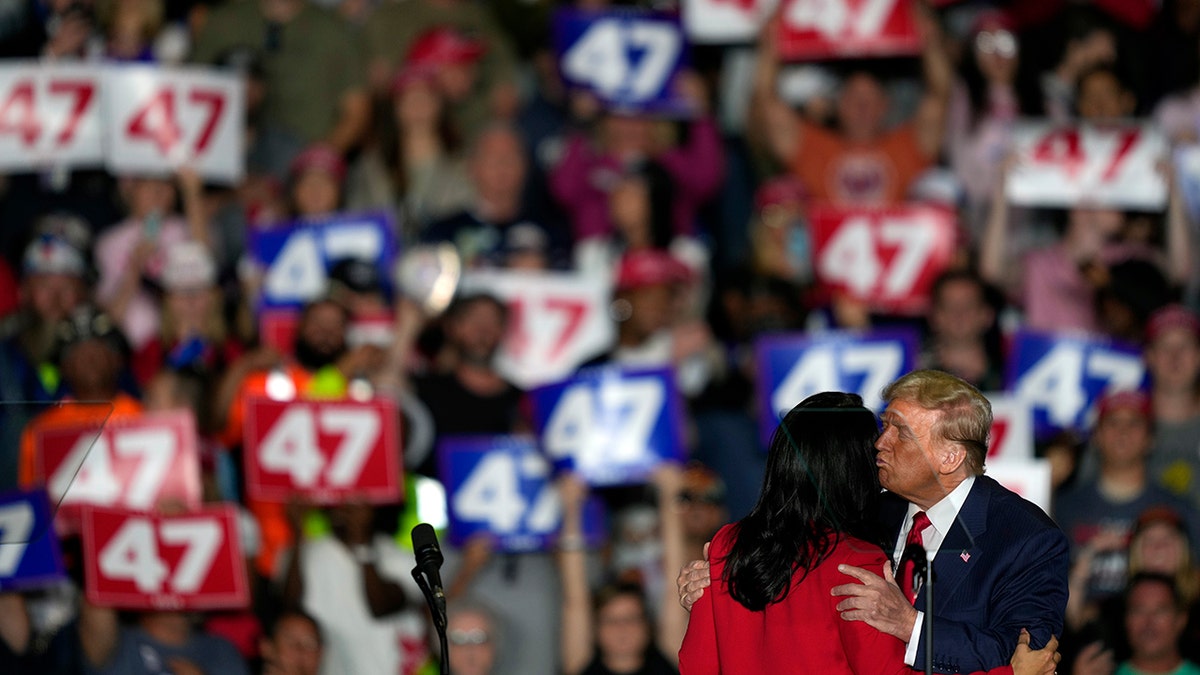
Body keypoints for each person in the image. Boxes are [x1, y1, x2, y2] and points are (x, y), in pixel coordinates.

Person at [679, 370, 1070, 673]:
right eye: (885, 426)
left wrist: (913, 627)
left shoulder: (1026, 538)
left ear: (949, 457)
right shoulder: (864, 515)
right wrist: (719, 584)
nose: (880, 443)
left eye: (901, 432)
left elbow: (1031, 655)